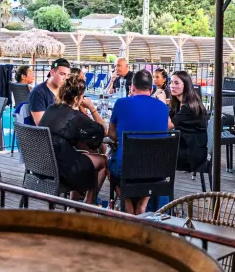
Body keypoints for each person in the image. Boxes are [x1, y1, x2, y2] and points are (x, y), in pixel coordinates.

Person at [107, 69, 170, 215]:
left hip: (127, 169)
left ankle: (127, 203)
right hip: (157, 170)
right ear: (151, 89)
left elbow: (111, 134)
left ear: (132, 87)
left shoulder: (121, 103)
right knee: (148, 163)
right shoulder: (163, 107)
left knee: (107, 164)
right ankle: (143, 203)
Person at [39, 76, 108, 205]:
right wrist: (91, 108)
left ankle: (74, 204)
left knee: (81, 155)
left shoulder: (51, 109)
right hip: (62, 170)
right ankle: (88, 204)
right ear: (77, 99)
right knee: (103, 161)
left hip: (43, 166)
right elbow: (103, 131)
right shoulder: (76, 117)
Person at [168, 70, 208, 171]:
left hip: (192, 154)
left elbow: (168, 126)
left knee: (156, 153)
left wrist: (162, 103)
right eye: (171, 82)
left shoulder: (188, 107)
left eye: (176, 83)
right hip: (186, 146)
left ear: (186, 85)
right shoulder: (179, 103)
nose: (172, 86)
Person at [27, 58, 71, 125]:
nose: (65, 78)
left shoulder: (65, 90)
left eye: (68, 75)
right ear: (52, 73)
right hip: (50, 131)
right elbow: (40, 124)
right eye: (62, 74)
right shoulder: (38, 92)